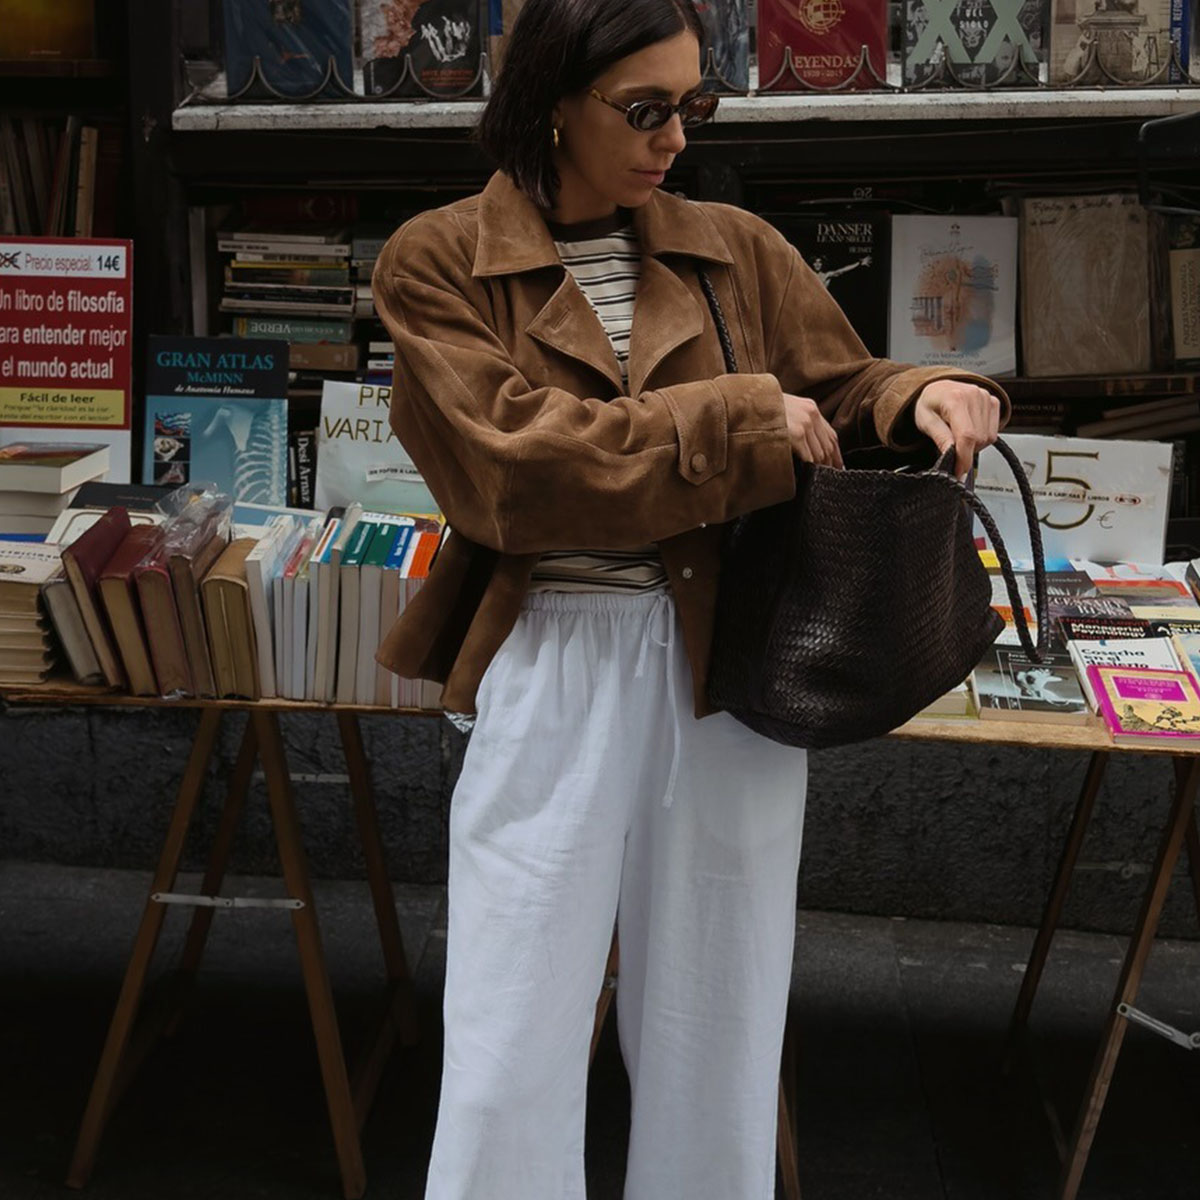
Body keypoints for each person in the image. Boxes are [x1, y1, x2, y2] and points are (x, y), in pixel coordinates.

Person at [371, 0, 1005, 1195]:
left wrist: (921, 390)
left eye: (693, 107)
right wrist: (740, 418)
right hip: (553, 647)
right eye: (644, 109)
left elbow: (846, 373)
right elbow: (517, 467)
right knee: (513, 1022)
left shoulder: (734, 245)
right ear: (550, 103)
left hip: (734, 655)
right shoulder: (441, 259)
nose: (674, 138)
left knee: (718, 1021)